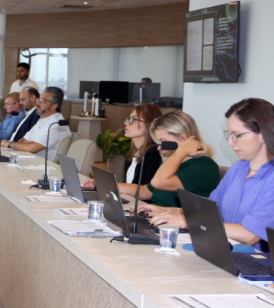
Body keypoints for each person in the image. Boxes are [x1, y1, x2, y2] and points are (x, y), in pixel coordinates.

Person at [150, 99, 274, 246]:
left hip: (257, 258)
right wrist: (168, 211)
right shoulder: (238, 168)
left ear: (263, 133)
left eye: (238, 135)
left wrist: (187, 221)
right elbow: (211, 209)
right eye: (229, 135)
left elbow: (250, 235)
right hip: (225, 248)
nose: (230, 142)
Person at [114, 110, 218, 208]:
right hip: (158, 216)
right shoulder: (176, 163)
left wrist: (181, 151)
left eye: (163, 141)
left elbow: (158, 182)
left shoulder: (203, 166)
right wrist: (110, 185)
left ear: (183, 138)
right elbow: (144, 191)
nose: (159, 147)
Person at [81, 103, 163, 192]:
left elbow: (145, 192)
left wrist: (103, 184)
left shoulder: (153, 156)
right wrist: (99, 182)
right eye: (128, 119)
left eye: (134, 119)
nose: (126, 123)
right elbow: (129, 186)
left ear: (149, 124)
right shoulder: (133, 153)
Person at [10, 86, 71, 161]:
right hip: (31, 160)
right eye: (38, 99)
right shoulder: (42, 119)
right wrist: (25, 144)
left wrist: (10, 144)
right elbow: (22, 140)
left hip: (44, 165)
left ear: (53, 106)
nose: (37, 103)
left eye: (43, 100)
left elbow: (32, 148)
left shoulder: (56, 124)